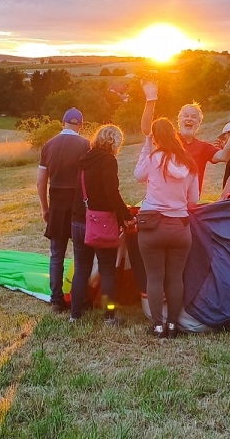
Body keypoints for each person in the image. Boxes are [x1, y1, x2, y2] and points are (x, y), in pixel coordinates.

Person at [134, 117, 200, 338]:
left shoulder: (153, 158)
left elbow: (137, 176)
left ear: (156, 137)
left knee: (155, 277)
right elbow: (194, 200)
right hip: (180, 227)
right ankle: (173, 324)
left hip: (153, 226)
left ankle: (157, 325)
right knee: (175, 277)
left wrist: (146, 145)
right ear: (174, 134)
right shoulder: (189, 163)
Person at [140, 81, 230, 193]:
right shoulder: (169, 138)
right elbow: (147, 130)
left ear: (198, 123)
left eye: (194, 117)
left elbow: (224, 156)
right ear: (179, 121)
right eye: (186, 116)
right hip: (165, 202)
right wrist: (150, 100)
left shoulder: (203, 147)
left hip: (190, 204)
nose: (189, 118)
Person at [71, 124, 135, 324]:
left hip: (78, 221)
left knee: (81, 268)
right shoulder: (108, 161)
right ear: (115, 142)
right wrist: (125, 214)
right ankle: (109, 316)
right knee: (107, 270)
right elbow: (111, 193)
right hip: (101, 224)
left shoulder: (84, 160)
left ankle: (75, 314)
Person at [37, 107, 90, 313]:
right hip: (78, 206)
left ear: (63, 122)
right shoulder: (85, 144)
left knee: (56, 254)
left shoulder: (48, 145)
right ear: (81, 125)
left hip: (57, 206)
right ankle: (80, 298)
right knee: (80, 256)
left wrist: (45, 208)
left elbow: (41, 181)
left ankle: (56, 299)